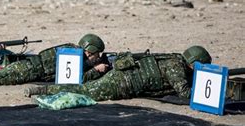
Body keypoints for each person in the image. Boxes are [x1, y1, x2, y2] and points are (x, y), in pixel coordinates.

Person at [24, 46, 212, 101]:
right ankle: (41, 91)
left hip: (124, 76)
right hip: (124, 83)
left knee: (85, 88)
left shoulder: (174, 58)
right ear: (194, 64)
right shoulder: (176, 67)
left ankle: (41, 91)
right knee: (84, 91)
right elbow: (184, 93)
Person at [0, 34, 110, 90]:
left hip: (27, 66)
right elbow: (72, 81)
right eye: (96, 54)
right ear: (90, 51)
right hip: (25, 70)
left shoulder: (72, 50)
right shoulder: (74, 56)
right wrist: (96, 70)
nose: (96, 57)